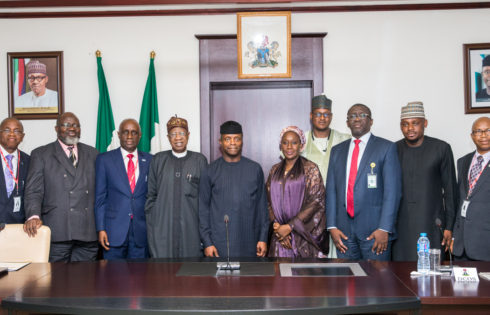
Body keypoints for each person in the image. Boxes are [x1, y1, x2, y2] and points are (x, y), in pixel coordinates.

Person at [326, 104, 402, 261]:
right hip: (343, 233)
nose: (357, 119)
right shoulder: (337, 151)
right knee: (348, 281)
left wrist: (384, 228)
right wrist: (332, 226)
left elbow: (392, 192)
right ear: (347, 123)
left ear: (371, 121)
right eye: (352, 116)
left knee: (376, 282)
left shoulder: (386, 148)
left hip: (375, 233)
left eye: (362, 115)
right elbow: (331, 191)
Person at [23, 112, 99, 262]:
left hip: (87, 231)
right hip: (57, 230)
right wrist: (33, 215)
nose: (72, 128)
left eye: (76, 125)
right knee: (57, 282)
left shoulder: (93, 153)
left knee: (86, 282)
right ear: (56, 128)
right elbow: (33, 190)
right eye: (67, 124)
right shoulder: (41, 154)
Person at [392, 102, 457, 261]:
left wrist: (450, 226)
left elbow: (450, 191)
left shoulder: (441, 148)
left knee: (431, 274)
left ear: (425, 123)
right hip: (401, 226)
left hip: (432, 224)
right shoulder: (393, 149)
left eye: (415, 123)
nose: (410, 128)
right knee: (400, 275)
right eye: (405, 124)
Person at [199, 121, 269, 258]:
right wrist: (207, 242)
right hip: (218, 245)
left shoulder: (255, 169)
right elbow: (203, 210)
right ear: (220, 141)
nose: (232, 143)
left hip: (251, 243)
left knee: (250, 279)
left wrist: (263, 238)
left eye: (236, 139)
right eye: (227, 139)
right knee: (219, 280)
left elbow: (262, 208)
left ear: (242, 141)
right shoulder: (209, 171)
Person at [145, 116, 207, 258]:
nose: (178, 137)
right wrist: (155, 225)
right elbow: (151, 196)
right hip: (163, 231)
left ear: (188, 135)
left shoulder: (199, 161)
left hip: (191, 232)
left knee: (190, 276)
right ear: (168, 137)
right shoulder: (158, 160)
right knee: (163, 275)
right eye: (173, 134)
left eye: (181, 133)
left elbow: (205, 199)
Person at [95, 119, 152, 260]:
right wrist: (100, 228)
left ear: (140, 136)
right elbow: (100, 198)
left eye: (134, 133)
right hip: (113, 231)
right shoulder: (104, 160)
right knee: (113, 278)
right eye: (125, 132)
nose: (130, 136)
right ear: (119, 135)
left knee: (140, 278)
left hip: (141, 232)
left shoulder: (151, 160)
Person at [301, 94, 350, 258]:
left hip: (337, 206)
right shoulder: (300, 141)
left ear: (331, 117)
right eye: (318, 114)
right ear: (311, 116)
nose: (322, 118)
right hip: (308, 208)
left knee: (337, 255)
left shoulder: (344, 140)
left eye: (326, 114)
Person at [267, 126, 326, 258]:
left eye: (294, 142)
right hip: (278, 237)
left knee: (300, 276)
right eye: (285, 142)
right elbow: (268, 201)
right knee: (278, 276)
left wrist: (290, 227)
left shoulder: (310, 169)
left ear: (301, 145)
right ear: (280, 145)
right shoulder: (274, 170)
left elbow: (316, 201)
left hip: (301, 237)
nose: (289, 146)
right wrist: (278, 229)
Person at [452, 117, 490, 261]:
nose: (483, 135)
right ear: (472, 136)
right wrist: (455, 234)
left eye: (488, 130)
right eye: (478, 131)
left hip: (485, 244)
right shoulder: (463, 161)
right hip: (461, 246)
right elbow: (460, 199)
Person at [0, 118, 30, 224]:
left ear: (22, 137)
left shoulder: (29, 161)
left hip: (19, 228)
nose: (12, 134)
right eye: (7, 130)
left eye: (17, 131)